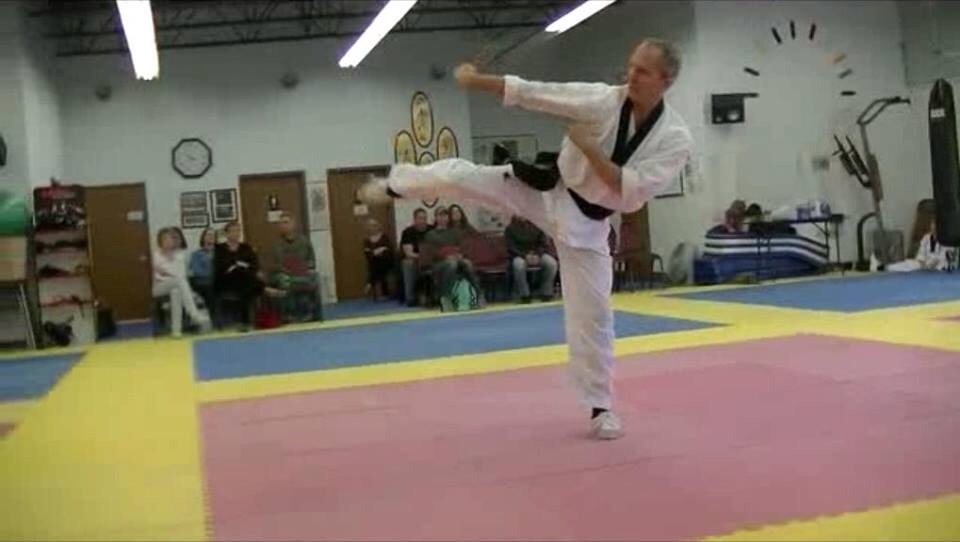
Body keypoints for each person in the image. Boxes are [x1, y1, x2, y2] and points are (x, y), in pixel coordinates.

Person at [359, 38, 693, 439]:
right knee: (463, 176)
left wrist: (589, 148)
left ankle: (600, 407)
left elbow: (626, 191)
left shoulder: (675, 138)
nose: (631, 75)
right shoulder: (604, 100)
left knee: (594, 316)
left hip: (588, 226)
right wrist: (475, 80)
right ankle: (394, 186)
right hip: (547, 191)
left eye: (642, 71)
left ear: (666, 80)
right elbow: (534, 93)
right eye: (631, 65)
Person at [215, 221, 283, 331]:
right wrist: (238, 265)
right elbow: (221, 266)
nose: (236, 233)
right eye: (233, 231)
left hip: (245, 281)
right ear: (227, 234)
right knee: (240, 273)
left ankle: (246, 322)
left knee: (245, 283)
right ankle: (264, 289)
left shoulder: (246, 247)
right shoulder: (220, 248)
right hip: (226, 280)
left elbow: (254, 265)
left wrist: (241, 265)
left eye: (238, 231)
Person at [153, 227, 211, 338]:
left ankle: (176, 330)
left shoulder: (179, 255)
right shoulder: (156, 255)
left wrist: (168, 272)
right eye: (164, 239)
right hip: (158, 287)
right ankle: (194, 313)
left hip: (176, 284)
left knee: (176, 292)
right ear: (160, 241)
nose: (167, 241)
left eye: (169, 238)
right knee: (178, 282)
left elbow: (180, 274)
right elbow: (160, 274)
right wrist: (169, 273)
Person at [423, 207, 483, 305]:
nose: (443, 218)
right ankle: (446, 297)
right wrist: (445, 257)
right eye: (440, 215)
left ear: (448, 218)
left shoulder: (454, 232)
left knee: (467, 263)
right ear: (436, 218)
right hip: (438, 263)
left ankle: (479, 295)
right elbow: (430, 254)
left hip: (455, 258)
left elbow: (461, 248)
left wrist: (459, 255)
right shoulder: (430, 235)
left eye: (445, 215)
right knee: (452, 264)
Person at [271, 212, 319, 322]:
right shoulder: (276, 244)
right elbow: (276, 264)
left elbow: (311, 260)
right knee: (284, 280)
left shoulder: (304, 241)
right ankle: (289, 314)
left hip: (302, 272)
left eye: (286, 222)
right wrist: (287, 271)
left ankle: (309, 312)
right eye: (281, 223)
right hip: (285, 273)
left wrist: (307, 268)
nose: (284, 225)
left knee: (313, 277)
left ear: (293, 224)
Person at [505, 215, 558, 303]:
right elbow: (511, 247)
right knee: (518, 265)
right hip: (519, 255)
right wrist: (525, 256)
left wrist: (537, 254)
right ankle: (525, 295)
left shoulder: (537, 225)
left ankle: (546, 292)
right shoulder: (510, 229)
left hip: (537, 254)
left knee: (551, 263)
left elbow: (543, 244)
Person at [399, 208, 433, 306]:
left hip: (431, 260)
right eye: (420, 218)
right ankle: (411, 298)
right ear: (414, 219)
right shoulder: (408, 232)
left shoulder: (432, 230)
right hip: (416, 260)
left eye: (424, 218)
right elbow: (408, 253)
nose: (423, 221)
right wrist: (422, 257)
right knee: (408, 263)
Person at [362, 218, 395, 300]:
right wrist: (378, 251)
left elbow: (389, 251)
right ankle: (382, 291)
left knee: (379, 262)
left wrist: (376, 252)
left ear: (378, 226)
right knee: (375, 261)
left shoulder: (384, 237)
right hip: (375, 263)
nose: (373, 227)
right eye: (370, 226)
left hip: (387, 263)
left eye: (374, 225)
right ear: (368, 227)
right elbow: (368, 254)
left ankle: (370, 281)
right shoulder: (366, 240)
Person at [188, 227, 217, 315]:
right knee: (211, 288)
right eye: (208, 235)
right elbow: (198, 272)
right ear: (203, 237)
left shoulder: (220, 253)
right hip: (201, 281)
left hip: (217, 281)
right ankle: (213, 316)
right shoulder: (196, 254)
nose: (211, 237)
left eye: (213, 235)